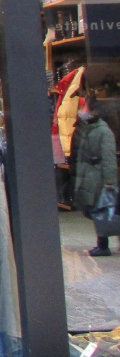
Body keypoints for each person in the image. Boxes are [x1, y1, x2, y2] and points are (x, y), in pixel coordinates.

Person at [75, 93, 119, 257]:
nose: (83, 111)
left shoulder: (103, 132)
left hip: (99, 178)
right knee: (99, 210)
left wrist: (109, 181)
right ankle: (102, 243)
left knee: (102, 210)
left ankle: (103, 244)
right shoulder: (90, 128)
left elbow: (108, 157)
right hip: (92, 176)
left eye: (86, 108)